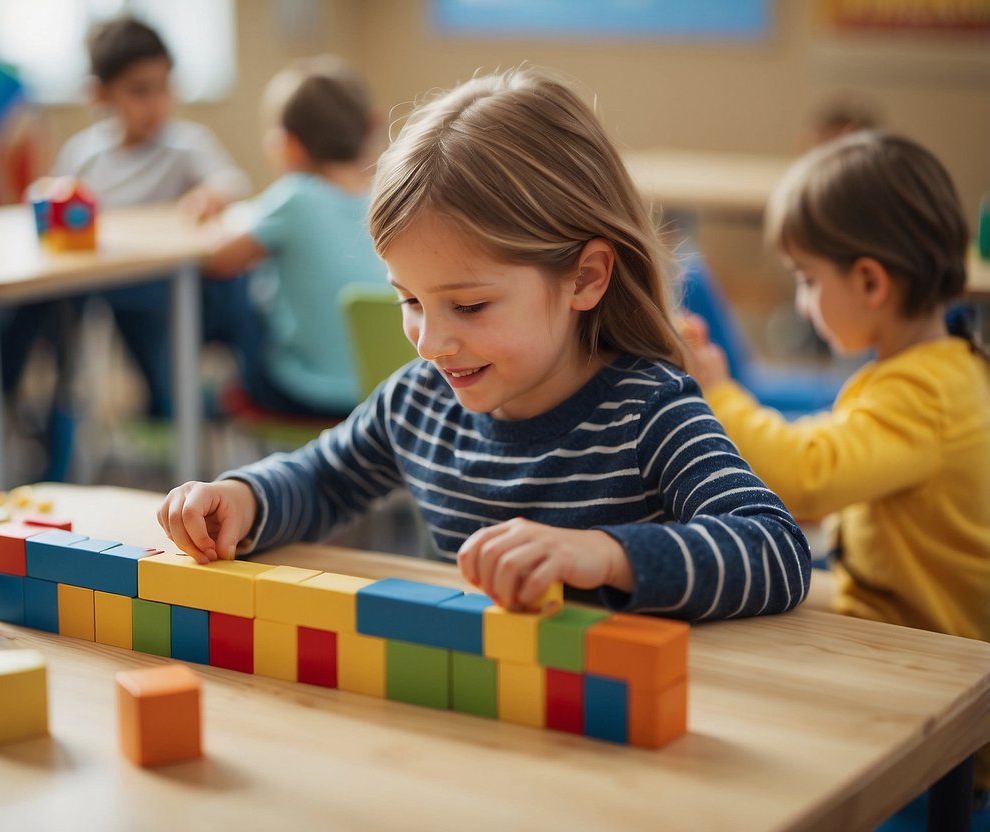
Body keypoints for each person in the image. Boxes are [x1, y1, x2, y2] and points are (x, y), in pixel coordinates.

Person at [157, 68, 811, 622]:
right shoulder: (418, 401)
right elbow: (321, 479)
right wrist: (245, 498)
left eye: (468, 305)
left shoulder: (651, 412)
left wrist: (606, 553)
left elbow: (775, 551)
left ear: (584, 278)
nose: (431, 344)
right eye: (409, 301)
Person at [681, 131, 990, 803]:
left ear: (871, 282)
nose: (799, 301)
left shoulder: (921, 395)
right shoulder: (935, 371)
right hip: (903, 632)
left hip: (934, 672)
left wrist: (716, 391)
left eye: (806, 280)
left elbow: (805, 480)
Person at [51, 16, 252, 419]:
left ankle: (180, 404)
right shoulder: (84, 154)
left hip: (169, 294)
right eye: (139, 92)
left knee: (224, 292)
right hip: (105, 286)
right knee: (47, 313)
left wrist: (211, 194)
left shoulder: (184, 146)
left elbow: (232, 183)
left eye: (163, 87)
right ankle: (49, 421)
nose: (156, 103)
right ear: (100, 95)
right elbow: (62, 205)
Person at [199, 55, 387, 417]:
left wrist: (213, 223)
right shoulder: (386, 193)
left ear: (288, 144)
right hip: (380, 392)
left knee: (236, 286)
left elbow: (220, 259)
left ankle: (191, 403)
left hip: (300, 393)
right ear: (372, 127)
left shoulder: (296, 196)